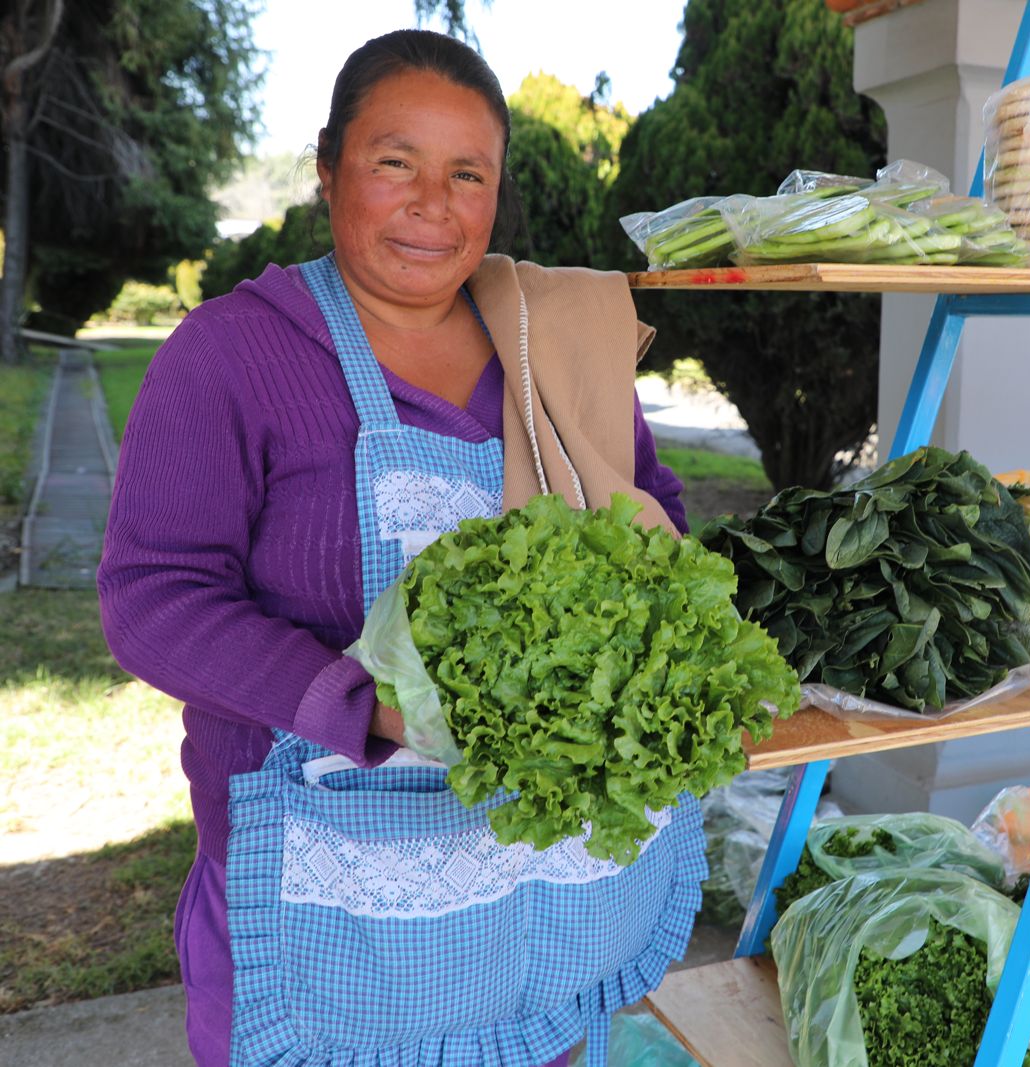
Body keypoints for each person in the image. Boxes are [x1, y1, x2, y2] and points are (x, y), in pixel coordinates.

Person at [99, 30, 700, 1067]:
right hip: (336, 903)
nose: (434, 203)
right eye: (395, 163)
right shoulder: (235, 354)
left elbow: (653, 508)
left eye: (468, 173)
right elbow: (154, 597)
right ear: (328, 166)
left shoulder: (543, 336)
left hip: (535, 894)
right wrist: (364, 703)